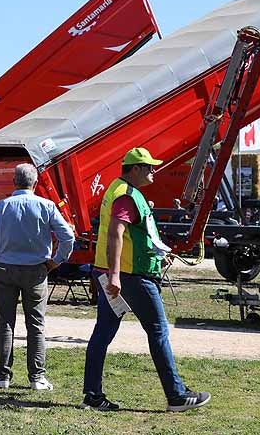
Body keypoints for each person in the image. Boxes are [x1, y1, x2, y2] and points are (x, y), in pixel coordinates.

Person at [81, 147, 211, 412]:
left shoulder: (120, 190)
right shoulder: (127, 196)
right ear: (136, 169)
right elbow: (116, 234)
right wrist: (116, 275)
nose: (154, 171)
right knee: (158, 331)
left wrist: (155, 253)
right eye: (149, 167)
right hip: (130, 276)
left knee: (103, 332)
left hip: (114, 272)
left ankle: (93, 395)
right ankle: (176, 396)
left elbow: (134, 234)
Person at [0, 163, 74, 390]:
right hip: (36, 271)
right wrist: (56, 260)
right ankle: (37, 377)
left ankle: (2, 376)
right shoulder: (47, 206)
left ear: (14, 181)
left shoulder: (2, 207)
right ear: (35, 182)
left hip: (4, 270)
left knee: (5, 323)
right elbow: (68, 237)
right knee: (36, 325)